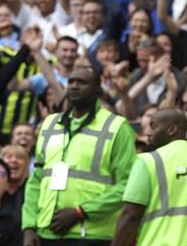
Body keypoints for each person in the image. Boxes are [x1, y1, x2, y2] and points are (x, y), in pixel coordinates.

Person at [22, 67, 136, 246]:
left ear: (98, 90)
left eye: (82, 82)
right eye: (71, 81)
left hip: (92, 234)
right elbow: (36, 179)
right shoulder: (50, 124)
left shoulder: (117, 126)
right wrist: (29, 226)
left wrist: (81, 212)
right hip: (47, 232)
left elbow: (128, 185)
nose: (74, 86)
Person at [111, 108, 187, 246]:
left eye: (153, 126)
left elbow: (130, 215)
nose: (147, 132)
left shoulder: (148, 161)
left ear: (172, 130)